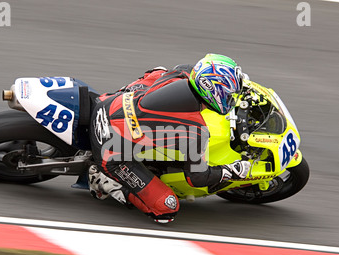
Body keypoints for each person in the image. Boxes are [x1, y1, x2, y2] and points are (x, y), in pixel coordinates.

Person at [88, 53, 251, 223]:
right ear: (213, 90)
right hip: (109, 149)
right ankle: (104, 182)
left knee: (158, 73)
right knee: (167, 208)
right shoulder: (195, 130)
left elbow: (156, 72)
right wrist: (231, 171)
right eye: (229, 95)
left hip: (109, 104)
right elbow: (197, 178)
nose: (231, 99)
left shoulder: (185, 72)